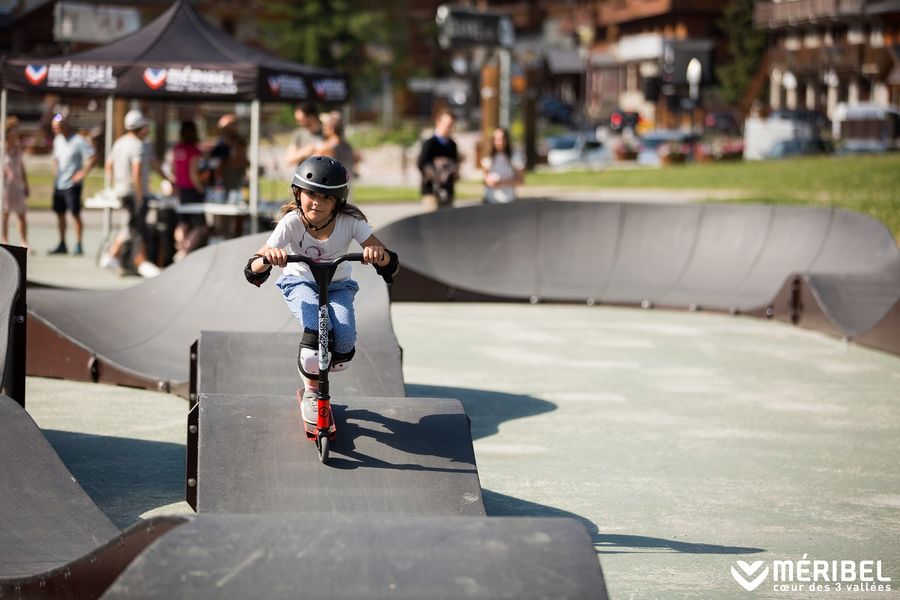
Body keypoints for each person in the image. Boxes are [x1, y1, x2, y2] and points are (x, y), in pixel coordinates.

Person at [244, 156, 399, 424]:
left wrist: (377, 254)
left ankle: (317, 365)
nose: (316, 202)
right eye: (311, 194)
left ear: (337, 201)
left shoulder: (351, 221)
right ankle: (312, 392)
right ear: (298, 193)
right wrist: (268, 258)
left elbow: (389, 261)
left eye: (326, 198)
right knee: (316, 327)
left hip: (337, 285)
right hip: (299, 282)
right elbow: (253, 267)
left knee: (344, 345)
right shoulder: (291, 223)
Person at [102, 109, 169, 278]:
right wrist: (140, 195)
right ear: (141, 127)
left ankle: (132, 261)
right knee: (131, 228)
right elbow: (137, 172)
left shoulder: (120, 142)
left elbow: (108, 166)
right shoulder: (138, 146)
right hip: (134, 194)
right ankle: (112, 256)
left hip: (122, 191)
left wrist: (112, 187)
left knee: (134, 228)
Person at [49, 112, 97, 255]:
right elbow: (55, 158)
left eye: (58, 126)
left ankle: (78, 244)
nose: (56, 129)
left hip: (72, 185)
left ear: (65, 125)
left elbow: (93, 157)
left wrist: (82, 173)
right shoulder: (57, 140)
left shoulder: (78, 140)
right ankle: (62, 243)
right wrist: (55, 171)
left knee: (75, 214)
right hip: (59, 184)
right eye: (54, 127)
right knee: (60, 214)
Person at [171, 120, 208, 261]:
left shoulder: (177, 148)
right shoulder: (193, 150)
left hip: (181, 189)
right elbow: (193, 174)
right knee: (201, 226)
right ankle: (185, 251)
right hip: (192, 190)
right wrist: (201, 189)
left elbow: (173, 170)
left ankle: (180, 248)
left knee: (182, 222)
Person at [417, 110, 459, 210]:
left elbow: (455, 163)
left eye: (451, 125)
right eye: (446, 124)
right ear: (438, 123)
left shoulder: (452, 145)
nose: (449, 128)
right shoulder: (430, 143)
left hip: (447, 191)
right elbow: (421, 163)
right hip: (432, 191)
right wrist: (436, 175)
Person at [2, 117, 30, 251]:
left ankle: (24, 241)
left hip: (18, 185)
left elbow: (22, 166)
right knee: (5, 213)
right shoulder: (2, 148)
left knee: (21, 214)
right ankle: (5, 240)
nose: (16, 134)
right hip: (5, 186)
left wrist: (26, 184)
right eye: (13, 131)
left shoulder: (18, 148)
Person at [480, 127, 524, 204]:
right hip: (490, 199)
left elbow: (520, 180)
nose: (500, 142)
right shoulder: (488, 157)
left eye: (502, 139)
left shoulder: (515, 156)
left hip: (509, 200)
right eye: (497, 139)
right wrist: (489, 181)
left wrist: (502, 183)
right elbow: (484, 178)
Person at [315, 111, 359, 178]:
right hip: (345, 183)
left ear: (332, 128)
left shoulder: (326, 147)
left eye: (326, 125)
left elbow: (316, 167)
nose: (323, 127)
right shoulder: (347, 145)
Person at [284, 103, 323, 168]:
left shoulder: (327, 131)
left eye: (301, 120)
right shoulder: (299, 134)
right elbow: (289, 159)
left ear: (312, 117)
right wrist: (305, 151)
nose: (298, 123)